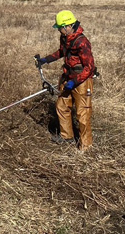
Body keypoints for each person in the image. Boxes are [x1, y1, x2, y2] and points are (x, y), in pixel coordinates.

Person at [36, 10, 96, 150]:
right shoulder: (65, 38)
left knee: (83, 114)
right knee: (62, 106)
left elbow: (90, 67)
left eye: (60, 28)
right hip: (67, 77)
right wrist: (46, 60)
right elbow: (62, 52)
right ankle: (66, 136)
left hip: (81, 80)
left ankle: (86, 147)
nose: (59, 31)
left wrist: (74, 82)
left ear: (68, 26)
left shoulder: (82, 42)